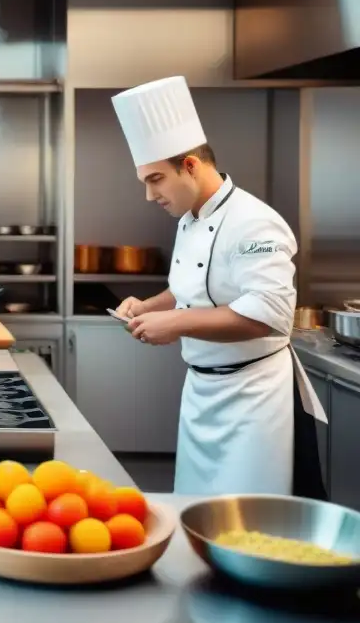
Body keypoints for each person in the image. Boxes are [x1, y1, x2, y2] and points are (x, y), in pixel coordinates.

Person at [110, 75, 326, 498]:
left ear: (190, 165)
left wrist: (176, 325)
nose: (150, 195)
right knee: (195, 516)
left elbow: (268, 316)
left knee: (250, 529)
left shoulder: (254, 221)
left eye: (155, 179)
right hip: (201, 394)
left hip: (254, 401)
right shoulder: (189, 217)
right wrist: (150, 307)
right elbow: (188, 288)